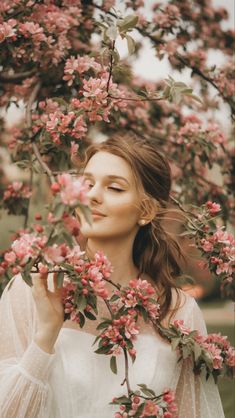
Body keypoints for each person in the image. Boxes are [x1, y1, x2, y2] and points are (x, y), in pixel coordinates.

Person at [0, 133, 225, 418]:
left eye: (115, 188)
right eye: (88, 184)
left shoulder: (178, 311)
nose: (92, 195)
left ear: (146, 211)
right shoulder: (35, 288)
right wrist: (45, 334)